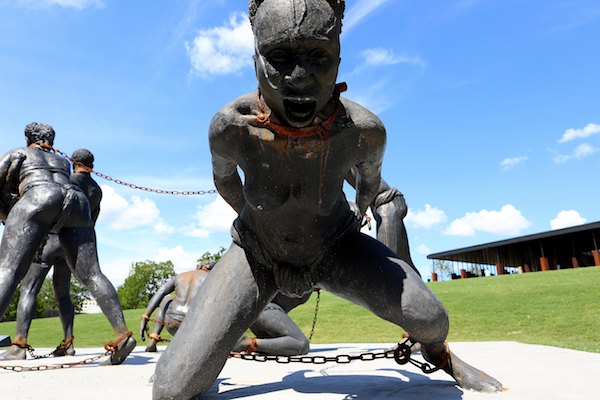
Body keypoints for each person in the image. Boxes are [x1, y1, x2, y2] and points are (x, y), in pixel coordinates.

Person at [153, 1, 502, 398]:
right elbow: (225, 181)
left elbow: (370, 187)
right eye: (280, 57)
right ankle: (198, 357)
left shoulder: (363, 131)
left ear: (338, 58)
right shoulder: (231, 128)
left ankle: (440, 354)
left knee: (431, 318)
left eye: (317, 55)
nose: (299, 78)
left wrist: (356, 216)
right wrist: (261, 228)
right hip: (258, 250)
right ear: (256, 59)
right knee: (170, 390)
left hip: (336, 246)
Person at [0, 124, 135, 365]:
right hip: (76, 204)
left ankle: (19, 344)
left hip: (40, 199)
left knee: (9, 271)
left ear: (28, 137)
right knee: (93, 274)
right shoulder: (61, 163)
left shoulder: (18, 152)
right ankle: (122, 335)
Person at [0, 149, 101, 360]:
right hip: (72, 245)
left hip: (49, 241)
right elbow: (92, 220)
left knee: (29, 289)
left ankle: (19, 344)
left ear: (73, 162)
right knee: (62, 293)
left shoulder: (66, 179)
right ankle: (68, 341)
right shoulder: (97, 190)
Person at [140, 261, 310, 356]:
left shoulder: (181, 276)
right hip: (195, 322)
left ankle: (153, 339)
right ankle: (246, 343)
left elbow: (161, 292)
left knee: (167, 300)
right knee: (300, 344)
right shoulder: (211, 277)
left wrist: (146, 316)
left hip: (173, 321)